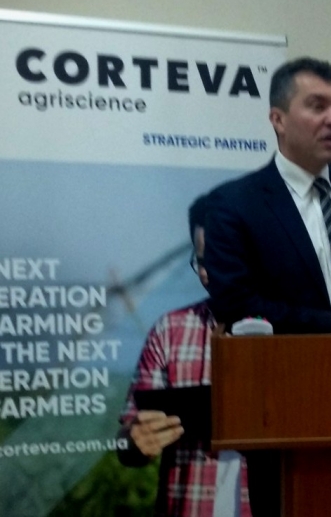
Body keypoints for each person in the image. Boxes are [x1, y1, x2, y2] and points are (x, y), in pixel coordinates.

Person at [204, 56, 331, 336]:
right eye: (317, 107)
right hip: (284, 361)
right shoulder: (234, 203)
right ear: (278, 120)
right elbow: (235, 304)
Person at [117, 195, 251, 517]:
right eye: (202, 261)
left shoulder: (299, 330)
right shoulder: (169, 331)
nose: (211, 272)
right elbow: (126, 440)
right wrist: (134, 441)